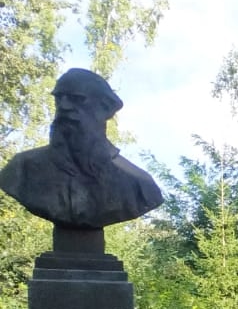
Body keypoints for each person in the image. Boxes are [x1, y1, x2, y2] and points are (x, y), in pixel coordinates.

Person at [0, 68, 163, 230]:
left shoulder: (139, 185)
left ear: (105, 108)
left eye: (77, 99)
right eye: (58, 98)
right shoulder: (22, 169)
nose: (64, 106)